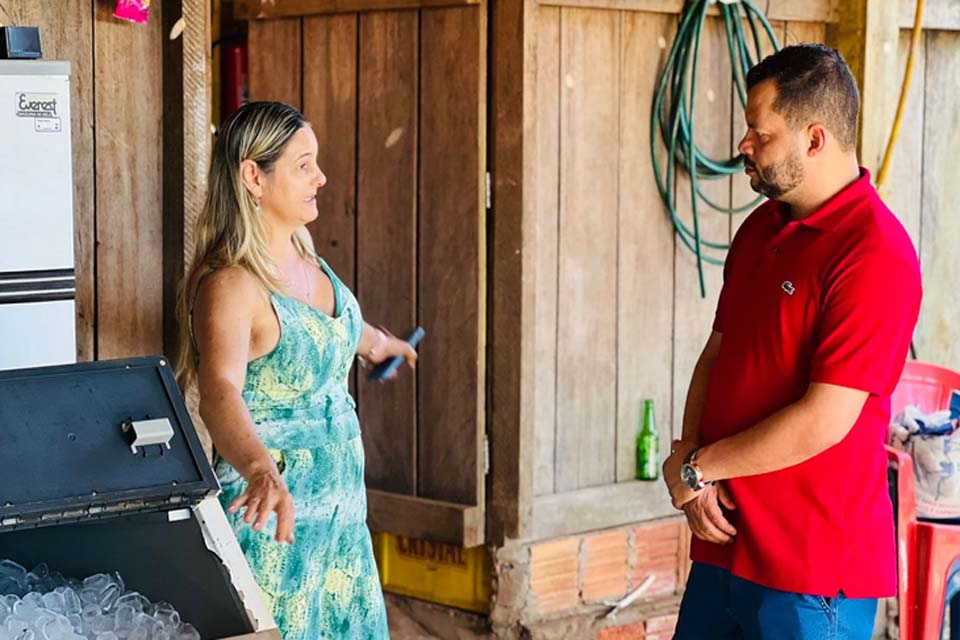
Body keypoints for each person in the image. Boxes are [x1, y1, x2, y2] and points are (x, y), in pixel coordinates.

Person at [662, 44, 922, 640]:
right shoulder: (761, 226)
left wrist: (697, 467)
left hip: (811, 571)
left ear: (814, 139)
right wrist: (694, 466)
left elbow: (824, 418)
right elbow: (716, 355)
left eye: (760, 132)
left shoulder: (876, 254)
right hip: (726, 542)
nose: (743, 145)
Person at [175, 101, 416, 640]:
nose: (320, 177)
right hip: (276, 523)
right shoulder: (233, 285)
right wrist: (260, 468)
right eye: (304, 165)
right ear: (253, 176)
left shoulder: (307, 260)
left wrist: (380, 344)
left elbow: (334, 329)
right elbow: (219, 391)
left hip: (341, 519)